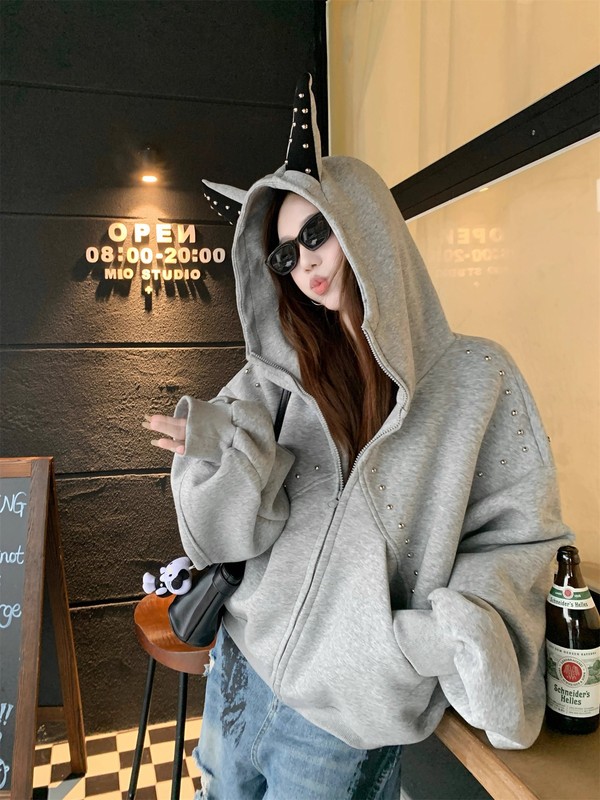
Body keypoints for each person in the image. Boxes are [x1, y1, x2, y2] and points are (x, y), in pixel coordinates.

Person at [143, 75, 572, 799]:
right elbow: (226, 539)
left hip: (343, 723)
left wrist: (423, 639)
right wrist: (222, 456)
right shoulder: (277, 377)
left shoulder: (478, 380)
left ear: (364, 222)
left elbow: (520, 540)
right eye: (285, 255)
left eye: (316, 233)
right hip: (242, 671)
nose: (305, 263)